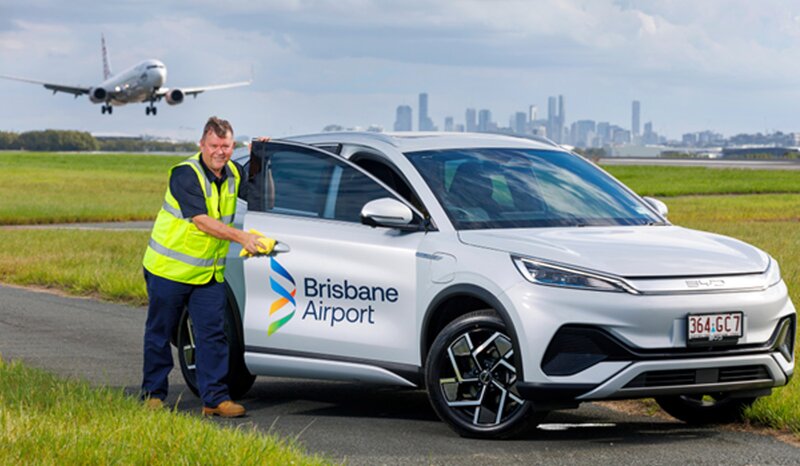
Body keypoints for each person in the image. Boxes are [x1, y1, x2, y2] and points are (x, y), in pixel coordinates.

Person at [140, 116, 264, 417]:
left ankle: (215, 400)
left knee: (213, 335)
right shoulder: (185, 174)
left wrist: (262, 158)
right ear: (202, 145)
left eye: (226, 146)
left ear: (233, 146)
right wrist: (241, 237)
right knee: (160, 333)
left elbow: (261, 195)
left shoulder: (234, 172)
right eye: (214, 146)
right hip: (169, 270)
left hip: (208, 273)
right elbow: (202, 221)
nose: (220, 152)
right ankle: (153, 395)